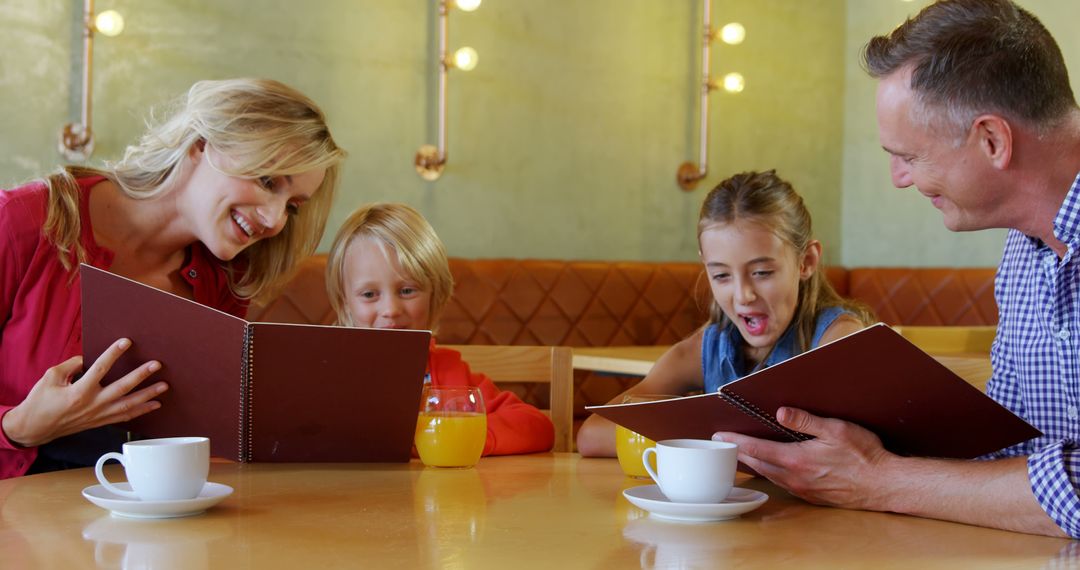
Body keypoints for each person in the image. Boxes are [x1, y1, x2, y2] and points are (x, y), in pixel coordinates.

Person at [714, 0, 1080, 539]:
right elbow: (1018, 439)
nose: (899, 178)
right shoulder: (1026, 250)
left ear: (992, 141)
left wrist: (881, 480)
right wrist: (848, 449)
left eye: (908, 155)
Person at [0, 78, 346, 479]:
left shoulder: (226, 280)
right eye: (268, 181)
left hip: (146, 520)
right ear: (201, 144)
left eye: (293, 206)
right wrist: (19, 428)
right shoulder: (24, 221)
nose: (274, 219)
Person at [576, 170, 874, 456]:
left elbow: (867, 448)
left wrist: (708, 436)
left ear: (806, 262)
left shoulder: (840, 339)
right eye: (721, 276)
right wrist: (717, 441)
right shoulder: (705, 348)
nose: (743, 295)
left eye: (762, 272)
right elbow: (593, 434)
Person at [325, 202, 555, 455]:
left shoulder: (450, 372)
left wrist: (467, 436)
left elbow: (537, 426)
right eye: (369, 294)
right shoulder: (325, 373)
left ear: (433, 295)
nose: (391, 309)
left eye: (407, 290)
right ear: (345, 302)